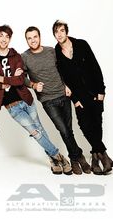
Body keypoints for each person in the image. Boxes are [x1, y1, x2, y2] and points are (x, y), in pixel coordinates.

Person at [0, 25, 72, 175]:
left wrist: (3, 78)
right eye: (1, 36)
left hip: (26, 99)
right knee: (35, 132)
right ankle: (58, 155)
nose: (4, 39)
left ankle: (53, 160)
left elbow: (20, 80)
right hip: (11, 105)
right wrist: (7, 78)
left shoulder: (16, 56)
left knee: (39, 128)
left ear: (10, 38)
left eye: (7, 36)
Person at [21, 26, 91, 175]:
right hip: (47, 100)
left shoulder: (51, 51)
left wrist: (66, 85)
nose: (33, 40)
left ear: (39, 37)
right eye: (29, 38)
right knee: (63, 130)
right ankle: (78, 155)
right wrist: (33, 85)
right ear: (26, 40)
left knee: (69, 130)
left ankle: (74, 158)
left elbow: (63, 69)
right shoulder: (24, 57)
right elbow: (21, 77)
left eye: (35, 37)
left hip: (63, 95)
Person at [53, 20, 113, 175]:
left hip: (95, 92)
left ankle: (95, 158)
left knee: (96, 124)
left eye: (61, 30)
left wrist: (101, 91)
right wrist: (75, 100)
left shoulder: (81, 44)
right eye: (56, 32)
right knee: (85, 125)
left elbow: (95, 67)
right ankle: (104, 155)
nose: (59, 34)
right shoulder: (56, 53)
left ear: (67, 31)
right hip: (79, 96)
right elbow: (63, 78)